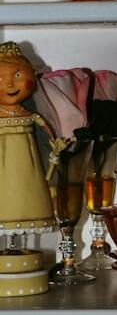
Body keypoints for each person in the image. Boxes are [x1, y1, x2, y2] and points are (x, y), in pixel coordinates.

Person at [0, 42, 55, 242]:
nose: (9, 85)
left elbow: (49, 135)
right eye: (0, 79)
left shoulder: (30, 115)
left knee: (29, 193)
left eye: (17, 75)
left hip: (27, 167)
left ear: (32, 74)